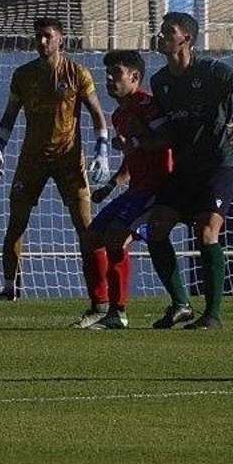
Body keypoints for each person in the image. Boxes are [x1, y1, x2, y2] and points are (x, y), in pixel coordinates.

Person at [140, 12, 233, 330]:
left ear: (185, 39)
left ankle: (212, 316)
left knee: (207, 232)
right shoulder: (160, 82)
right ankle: (181, 304)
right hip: (186, 167)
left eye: (168, 31)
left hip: (220, 163)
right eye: (161, 30)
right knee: (156, 227)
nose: (160, 35)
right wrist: (140, 140)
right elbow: (171, 131)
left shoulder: (213, 70)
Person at [0, 17, 112, 318]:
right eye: (38, 37)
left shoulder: (77, 73)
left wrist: (102, 150)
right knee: (16, 222)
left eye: (47, 36)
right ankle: (9, 288)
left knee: (86, 228)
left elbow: (97, 113)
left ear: (61, 40)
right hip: (32, 160)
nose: (42, 42)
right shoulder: (23, 75)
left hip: (69, 160)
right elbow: (9, 115)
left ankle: (101, 295)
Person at [81, 49, 172, 330]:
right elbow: (132, 159)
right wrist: (110, 185)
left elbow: (168, 140)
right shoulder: (121, 115)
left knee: (116, 236)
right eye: (107, 73)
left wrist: (137, 140)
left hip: (159, 189)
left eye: (115, 73)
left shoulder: (148, 106)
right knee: (91, 238)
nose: (108, 78)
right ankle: (101, 306)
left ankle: (118, 312)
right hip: (135, 191)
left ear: (134, 77)